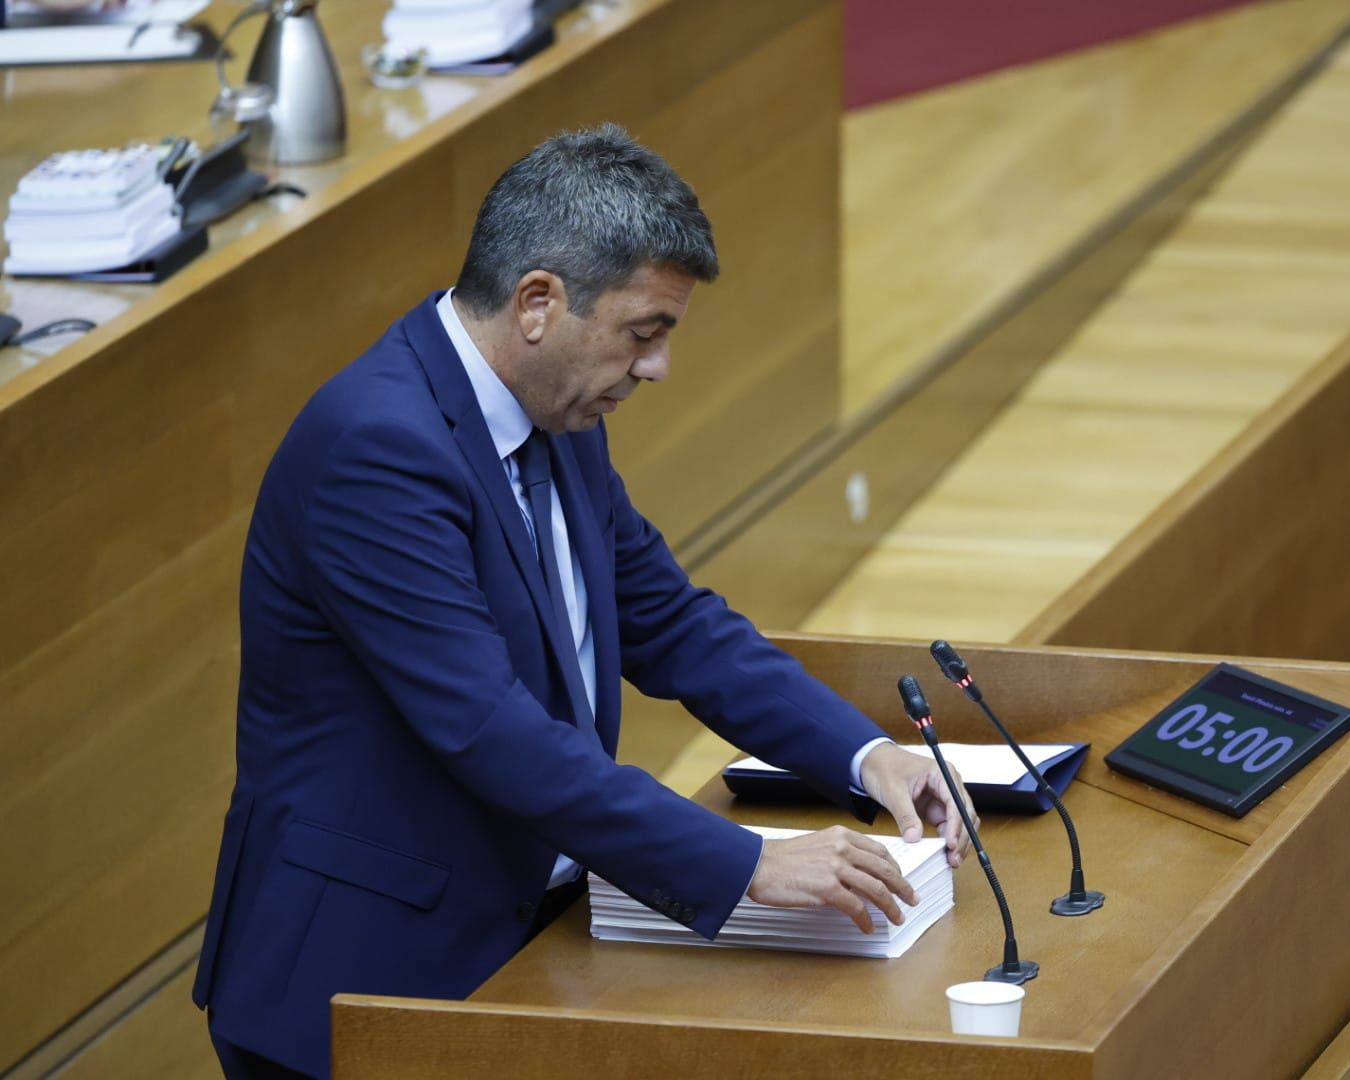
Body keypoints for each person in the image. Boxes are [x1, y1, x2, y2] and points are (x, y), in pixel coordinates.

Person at [193, 123, 975, 1080]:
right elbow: (489, 729)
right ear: (537, 304)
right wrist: (746, 864)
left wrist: (864, 753)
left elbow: (673, 624)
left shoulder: (557, 416)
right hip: (365, 987)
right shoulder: (377, 451)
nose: (658, 369)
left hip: (524, 944)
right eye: (644, 333)